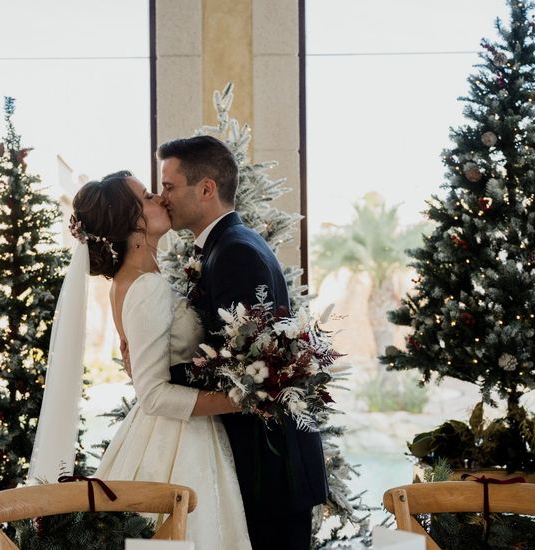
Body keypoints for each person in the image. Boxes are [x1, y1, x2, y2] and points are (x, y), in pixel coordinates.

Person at [30, 170, 251, 549]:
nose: (161, 199)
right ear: (132, 221)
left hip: (166, 434)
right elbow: (153, 395)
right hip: (179, 440)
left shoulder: (136, 279)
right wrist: (239, 400)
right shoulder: (144, 287)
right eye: (148, 196)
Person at [157, 135, 328, 550]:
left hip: (270, 467)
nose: (163, 197)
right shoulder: (227, 245)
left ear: (206, 189)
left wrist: (160, 372)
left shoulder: (234, 252)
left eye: (169, 186)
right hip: (262, 464)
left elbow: (251, 369)